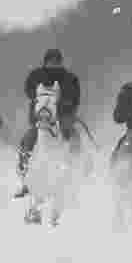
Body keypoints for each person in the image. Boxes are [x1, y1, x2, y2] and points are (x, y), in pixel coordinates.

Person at [14, 48, 82, 197]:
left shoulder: (70, 78)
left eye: (56, 62)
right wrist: (41, 98)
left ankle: (77, 170)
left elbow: (75, 97)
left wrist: (65, 103)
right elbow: (29, 91)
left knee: (73, 137)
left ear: (60, 62)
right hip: (41, 117)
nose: (53, 64)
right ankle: (24, 177)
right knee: (28, 140)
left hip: (63, 116)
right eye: (50, 61)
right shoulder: (36, 75)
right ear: (45, 62)